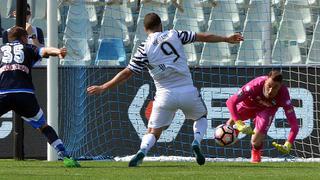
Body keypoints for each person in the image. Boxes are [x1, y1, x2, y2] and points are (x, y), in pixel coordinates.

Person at [87, 13, 243, 167]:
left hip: (164, 96)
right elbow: (203, 37)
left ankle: (142, 151)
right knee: (201, 117)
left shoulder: (144, 48)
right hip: (187, 90)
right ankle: (196, 141)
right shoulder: (174, 34)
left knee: (153, 131)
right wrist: (226, 38)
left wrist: (104, 86)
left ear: (145, 29)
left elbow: (127, 72)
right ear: (160, 25)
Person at [0, 26, 80, 167]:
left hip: (3, 93)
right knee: (43, 126)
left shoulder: (1, 50)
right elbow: (45, 50)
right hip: (24, 94)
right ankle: (65, 156)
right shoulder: (28, 48)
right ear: (24, 38)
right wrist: (59, 52)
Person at [225, 70, 299, 163]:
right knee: (230, 123)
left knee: (255, 141)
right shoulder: (254, 85)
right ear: (266, 81)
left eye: (275, 87)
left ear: (280, 86)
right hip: (249, 105)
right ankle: (235, 130)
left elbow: (294, 125)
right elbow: (230, 102)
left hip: (266, 110)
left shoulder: (284, 95)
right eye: (269, 86)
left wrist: (288, 143)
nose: (271, 90)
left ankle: (256, 152)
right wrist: (238, 122)